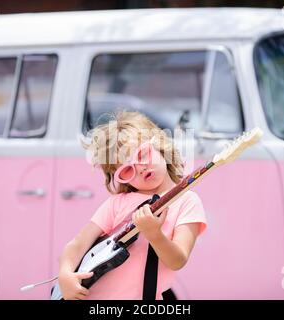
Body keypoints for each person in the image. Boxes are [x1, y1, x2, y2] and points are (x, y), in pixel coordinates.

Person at [58, 111, 207, 300]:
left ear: (159, 145)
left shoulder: (187, 201)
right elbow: (77, 244)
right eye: (128, 170)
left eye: (143, 154)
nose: (140, 167)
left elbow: (177, 260)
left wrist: (154, 234)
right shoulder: (117, 204)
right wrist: (65, 274)